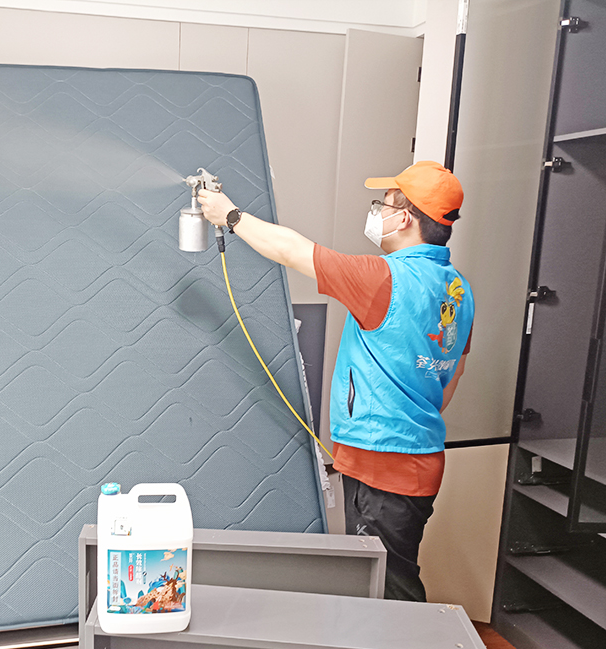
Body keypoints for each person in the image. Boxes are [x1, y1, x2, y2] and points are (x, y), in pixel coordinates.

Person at [198, 160, 474, 602]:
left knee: (390, 588)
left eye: (384, 204)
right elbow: (453, 373)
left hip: (383, 463)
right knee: (390, 574)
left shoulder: (384, 279)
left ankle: (413, 648)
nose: (377, 212)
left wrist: (229, 215)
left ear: (405, 218)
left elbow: (292, 250)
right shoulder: (457, 289)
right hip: (419, 458)